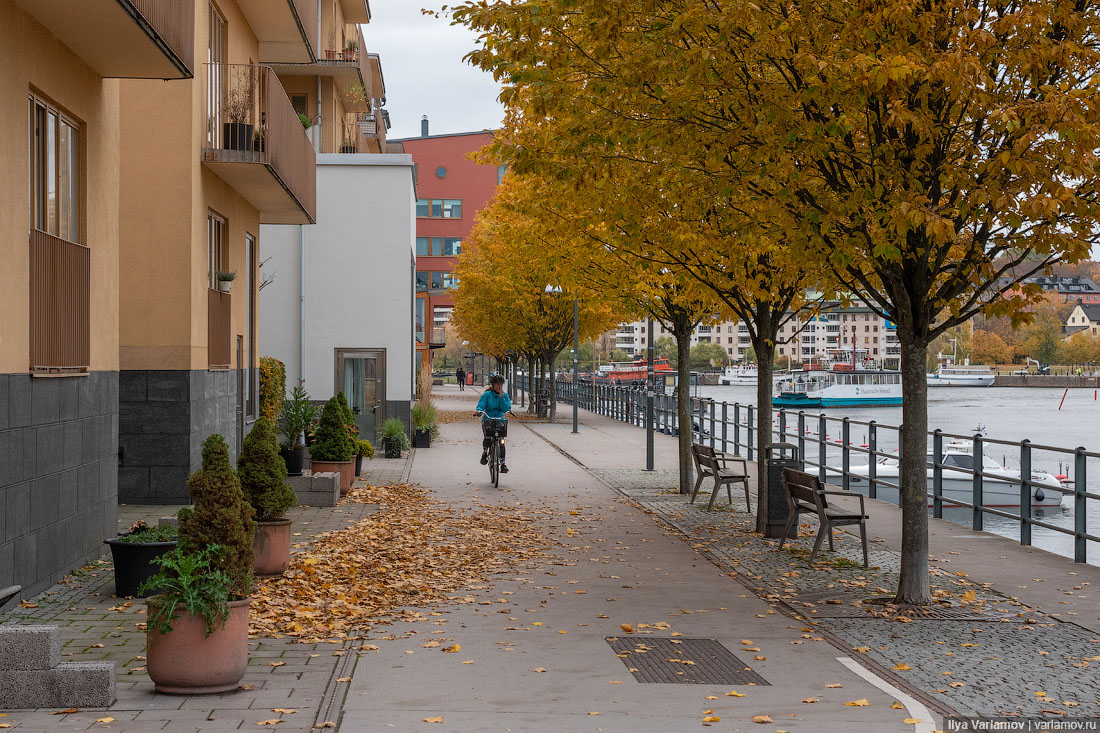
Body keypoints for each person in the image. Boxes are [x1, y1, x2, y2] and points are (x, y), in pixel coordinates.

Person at [476, 373, 511, 473]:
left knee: (501, 441)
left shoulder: (505, 396)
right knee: (488, 437)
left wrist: (501, 398)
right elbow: (481, 405)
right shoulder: (487, 395)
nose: (499, 387)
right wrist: (478, 411)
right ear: (493, 385)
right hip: (488, 419)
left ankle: (503, 463)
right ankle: (485, 452)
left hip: (500, 419)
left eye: (501, 385)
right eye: (497, 385)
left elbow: (506, 408)